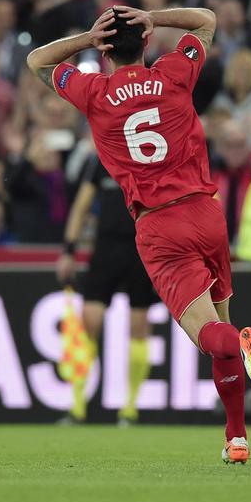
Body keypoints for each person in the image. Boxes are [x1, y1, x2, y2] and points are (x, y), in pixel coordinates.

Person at [27, 5, 251, 464]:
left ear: (106, 51)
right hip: (207, 213)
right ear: (145, 41)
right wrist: (154, 16)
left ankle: (239, 343)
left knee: (211, 337)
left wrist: (88, 38)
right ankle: (237, 437)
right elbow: (206, 19)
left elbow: (37, 60)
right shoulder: (173, 73)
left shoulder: (94, 91)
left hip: (160, 226)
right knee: (220, 329)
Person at [55, 153, 161, 426]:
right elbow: (81, 205)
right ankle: (77, 406)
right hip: (106, 248)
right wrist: (69, 249)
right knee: (89, 321)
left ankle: (130, 408)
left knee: (139, 325)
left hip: (142, 249)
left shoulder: (151, 156)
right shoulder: (101, 159)